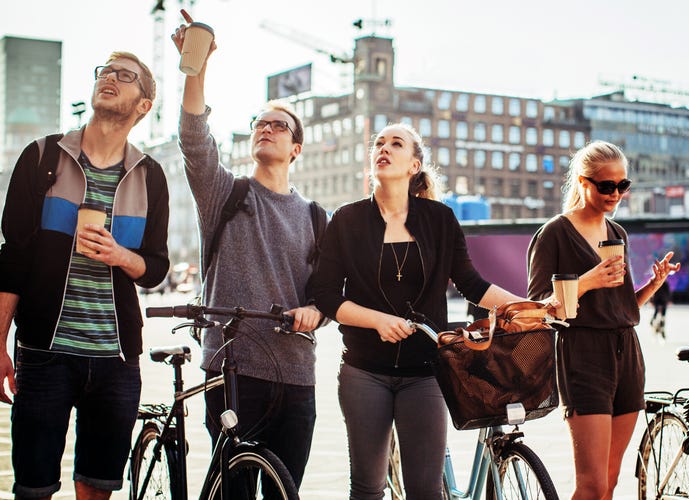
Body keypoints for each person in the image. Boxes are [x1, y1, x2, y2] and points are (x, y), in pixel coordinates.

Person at [308, 123, 542, 500]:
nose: (383, 148)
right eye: (378, 144)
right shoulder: (347, 220)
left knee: (426, 490)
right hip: (363, 373)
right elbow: (326, 295)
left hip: (425, 373)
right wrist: (377, 321)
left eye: (395, 144)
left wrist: (529, 307)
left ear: (414, 165)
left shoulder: (440, 219)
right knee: (368, 489)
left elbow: (472, 284)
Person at [0, 52, 169, 499]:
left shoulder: (150, 176)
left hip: (116, 360)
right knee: (33, 489)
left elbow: (155, 267)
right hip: (43, 354)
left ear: (144, 104)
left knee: (97, 488)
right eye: (106, 71)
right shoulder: (41, 158)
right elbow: (12, 258)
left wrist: (121, 256)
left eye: (125, 75)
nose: (110, 78)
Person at [172, 24, 324, 490]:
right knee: (232, 490)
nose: (268, 128)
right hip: (232, 369)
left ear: (296, 148)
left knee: (286, 489)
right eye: (261, 122)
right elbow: (195, 140)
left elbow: (329, 295)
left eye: (280, 125)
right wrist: (196, 67)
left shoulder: (318, 217)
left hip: (297, 376)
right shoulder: (226, 193)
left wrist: (316, 312)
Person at [527, 140, 680, 500]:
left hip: (627, 352)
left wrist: (652, 285)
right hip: (582, 354)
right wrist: (588, 280)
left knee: (610, 482)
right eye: (606, 185)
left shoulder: (617, 234)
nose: (615, 193)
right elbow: (536, 307)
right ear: (583, 182)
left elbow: (623, 306)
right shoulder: (555, 234)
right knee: (591, 484)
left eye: (622, 185)